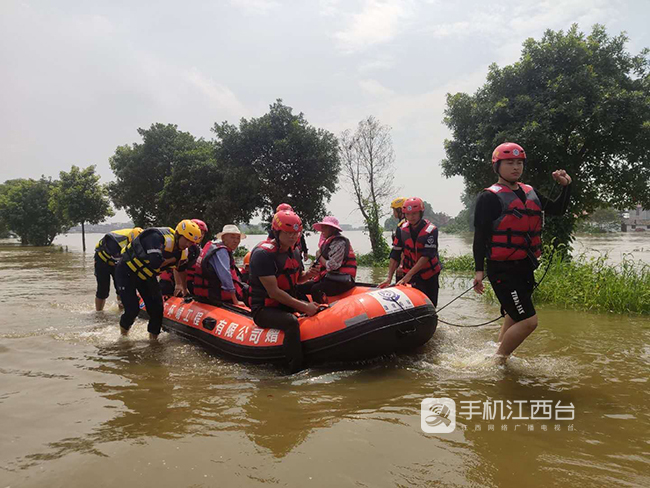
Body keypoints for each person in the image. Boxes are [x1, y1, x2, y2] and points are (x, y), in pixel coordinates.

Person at [472, 142, 572, 362]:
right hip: (502, 270)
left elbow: (557, 209)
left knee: (513, 315)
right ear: (497, 166)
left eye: (519, 163)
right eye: (509, 163)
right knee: (529, 321)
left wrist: (566, 186)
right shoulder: (489, 197)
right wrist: (479, 271)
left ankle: (497, 352)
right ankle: (498, 361)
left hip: (525, 266)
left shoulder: (530, 192)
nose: (515, 167)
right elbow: (480, 237)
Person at [249, 210, 319, 373]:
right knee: (291, 323)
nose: (293, 237)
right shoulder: (263, 254)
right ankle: (295, 370)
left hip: (284, 305)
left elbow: (294, 279)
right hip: (264, 309)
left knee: (318, 309)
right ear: (277, 231)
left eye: (296, 233)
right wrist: (304, 307)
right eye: (288, 233)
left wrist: (307, 275)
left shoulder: (293, 251)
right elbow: (274, 292)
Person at [115, 220, 202, 339]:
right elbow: (155, 263)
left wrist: (183, 287)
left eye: (191, 242)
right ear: (178, 234)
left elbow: (181, 269)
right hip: (126, 271)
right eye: (186, 239)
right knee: (132, 309)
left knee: (157, 309)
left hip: (146, 275)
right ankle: (123, 337)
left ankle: (153, 341)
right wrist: (173, 259)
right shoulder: (156, 237)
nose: (187, 244)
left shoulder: (183, 252)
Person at [379, 197, 442, 306]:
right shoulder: (402, 229)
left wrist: (408, 276)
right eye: (408, 214)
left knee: (430, 304)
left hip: (428, 275)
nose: (411, 217)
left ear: (421, 213)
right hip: (409, 272)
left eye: (414, 214)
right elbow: (395, 254)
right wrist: (389, 277)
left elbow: (426, 256)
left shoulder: (431, 230)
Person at [296, 216, 357, 303]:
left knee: (316, 289)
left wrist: (319, 256)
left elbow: (332, 266)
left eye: (325, 227)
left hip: (342, 281)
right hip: (329, 278)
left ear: (332, 229)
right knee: (299, 288)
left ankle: (320, 312)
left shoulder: (340, 242)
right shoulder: (328, 242)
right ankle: (304, 309)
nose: (322, 230)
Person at [193, 224, 248, 306]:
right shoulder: (221, 251)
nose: (236, 241)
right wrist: (235, 301)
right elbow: (225, 276)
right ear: (223, 238)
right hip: (214, 295)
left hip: (205, 293)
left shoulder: (216, 247)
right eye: (232, 237)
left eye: (238, 238)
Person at [94, 227, 143, 311]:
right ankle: (99, 313)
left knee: (121, 287)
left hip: (118, 261)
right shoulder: (115, 243)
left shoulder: (140, 239)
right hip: (102, 261)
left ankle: (122, 312)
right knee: (103, 289)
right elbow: (122, 261)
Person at [160, 218, 208, 297]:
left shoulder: (196, 249)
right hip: (169, 280)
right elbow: (178, 266)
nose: (201, 235)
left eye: (203, 233)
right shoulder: (180, 245)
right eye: (200, 232)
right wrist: (178, 284)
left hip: (186, 280)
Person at [390, 197, 407, 282]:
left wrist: (401, 265)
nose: (393, 213)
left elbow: (405, 248)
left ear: (400, 210)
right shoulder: (404, 223)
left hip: (404, 266)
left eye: (394, 210)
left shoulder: (403, 226)